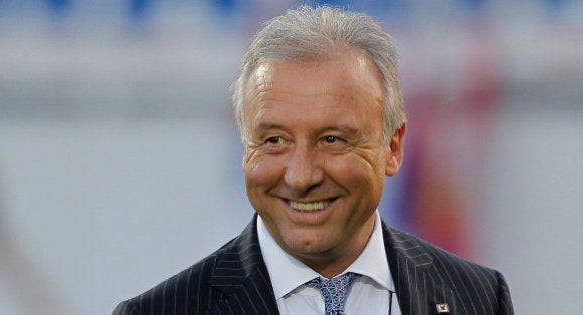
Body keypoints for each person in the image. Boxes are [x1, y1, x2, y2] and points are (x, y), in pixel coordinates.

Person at [113, 6, 514, 315]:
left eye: (332, 139)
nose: (301, 175)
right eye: (274, 140)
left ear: (393, 148)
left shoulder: (478, 299)